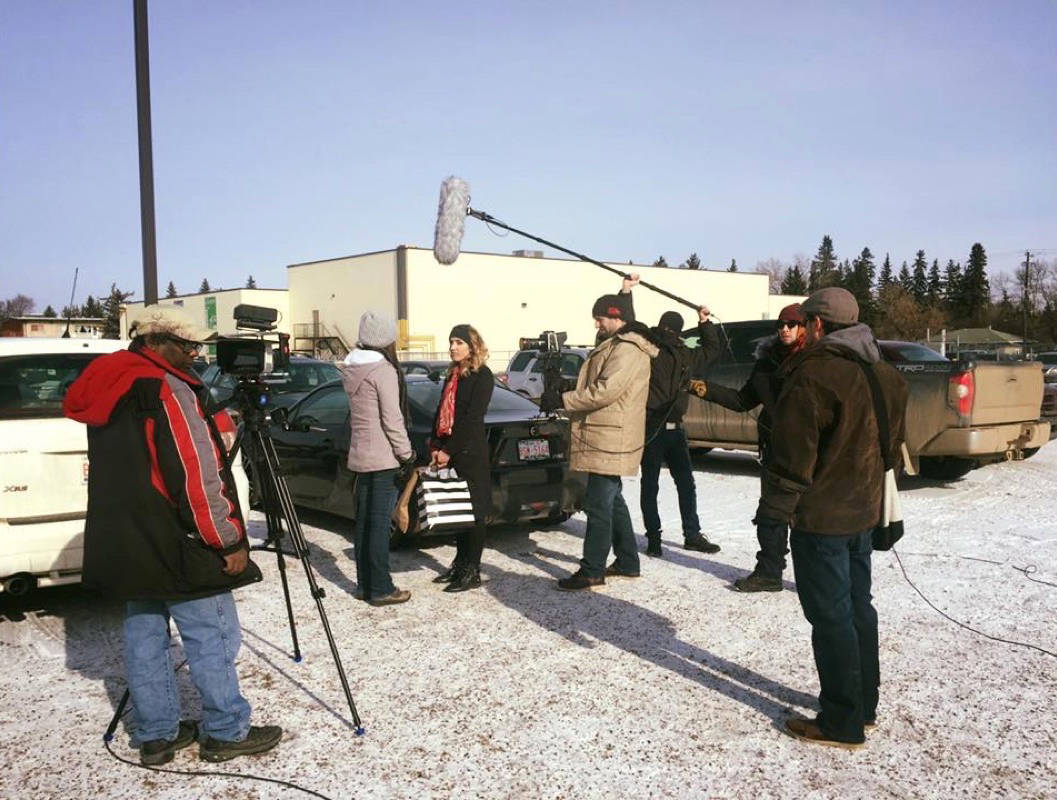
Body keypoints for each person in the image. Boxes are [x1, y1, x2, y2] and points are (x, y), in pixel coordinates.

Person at [63, 307, 281, 765]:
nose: (195, 354)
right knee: (212, 634)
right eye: (188, 346)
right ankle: (225, 729)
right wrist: (226, 540)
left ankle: (157, 735)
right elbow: (195, 474)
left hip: (128, 538)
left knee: (144, 636)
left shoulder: (110, 379)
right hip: (179, 539)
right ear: (158, 342)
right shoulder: (167, 388)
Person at [755, 288, 907, 749]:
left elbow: (791, 458)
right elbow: (893, 447)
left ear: (817, 325)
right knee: (859, 606)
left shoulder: (813, 375)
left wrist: (773, 520)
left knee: (832, 617)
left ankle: (841, 722)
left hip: (822, 518)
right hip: (863, 513)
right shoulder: (886, 374)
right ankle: (864, 706)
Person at [541, 282, 658, 590]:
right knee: (612, 499)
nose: (596, 323)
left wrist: (563, 401)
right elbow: (596, 384)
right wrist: (565, 385)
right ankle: (628, 561)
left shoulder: (628, 349)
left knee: (598, 504)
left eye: (600, 318)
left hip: (612, 436)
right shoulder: (617, 344)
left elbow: (605, 391)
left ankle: (592, 569)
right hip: (608, 434)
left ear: (615, 317)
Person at [693, 303, 807, 590]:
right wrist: (704, 388)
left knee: (809, 520)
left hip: (808, 453)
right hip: (775, 451)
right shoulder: (766, 363)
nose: (784, 329)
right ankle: (769, 573)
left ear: (805, 327)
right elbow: (743, 401)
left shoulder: (814, 363)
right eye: (780, 324)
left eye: (791, 324)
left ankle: (813, 577)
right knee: (770, 516)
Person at [623, 281, 723, 558]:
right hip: (663, 428)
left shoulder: (653, 349)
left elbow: (629, 326)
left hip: (660, 428)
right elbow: (713, 350)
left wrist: (627, 293)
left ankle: (659, 539)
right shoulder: (674, 353)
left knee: (653, 484)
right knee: (680, 484)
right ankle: (687, 535)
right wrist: (704, 323)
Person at [340, 310, 416, 606]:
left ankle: (365, 585)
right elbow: (392, 419)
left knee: (363, 524)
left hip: (360, 454)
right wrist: (406, 453)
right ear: (386, 339)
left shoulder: (351, 367)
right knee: (380, 525)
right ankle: (382, 587)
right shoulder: (383, 370)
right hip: (383, 457)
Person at [429, 324, 494, 593]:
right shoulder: (453, 374)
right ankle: (459, 562)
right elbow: (442, 412)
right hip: (452, 451)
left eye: (459, 342)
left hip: (470, 452)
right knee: (458, 509)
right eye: (451, 341)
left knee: (474, 513)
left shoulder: (482, 376)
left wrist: (449, 450)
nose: (453, 347)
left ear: (472, 346)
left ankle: (472, 569)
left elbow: (470, 420)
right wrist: (435, 446)